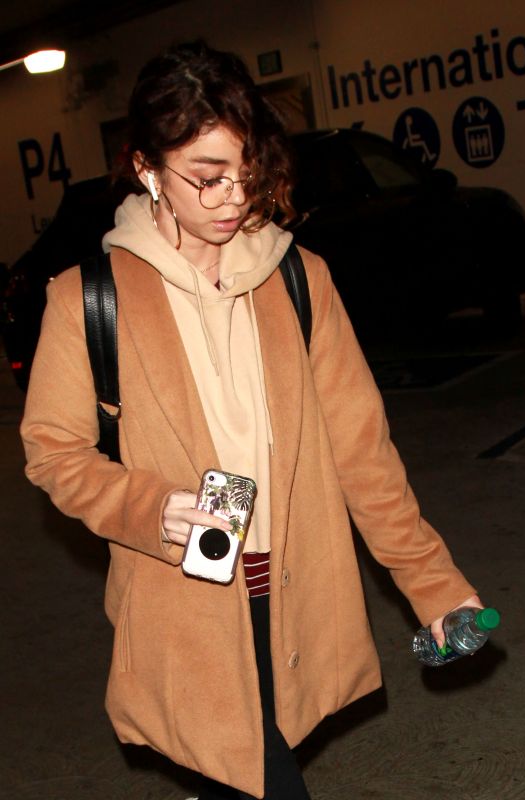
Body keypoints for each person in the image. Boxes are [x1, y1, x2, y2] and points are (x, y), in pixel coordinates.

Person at [20, 41, 482, 800]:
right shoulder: (86, 299)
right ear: (145, 169)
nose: (233, 196)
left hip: (297, 597)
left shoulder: (299, 279)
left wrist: (430, 583)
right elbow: (53, 452)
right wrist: (145, 506)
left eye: (244, 171)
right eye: (205, 178)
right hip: (187, 607)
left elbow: (362, 454)